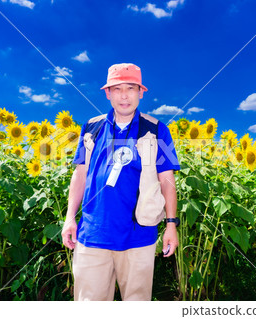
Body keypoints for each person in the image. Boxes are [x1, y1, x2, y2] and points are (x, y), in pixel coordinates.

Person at [61, 63, 180, 301]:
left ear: (141, 92)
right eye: (117, 89)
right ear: (107, 93)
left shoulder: (157, 130)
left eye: (130, 88)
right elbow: (80, 174)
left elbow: (167, 180)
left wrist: (171, 225)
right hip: (93, 235)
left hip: (138, 236)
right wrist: (69, 217)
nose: (124, 95)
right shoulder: (91, 127)